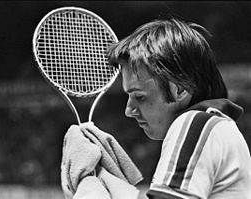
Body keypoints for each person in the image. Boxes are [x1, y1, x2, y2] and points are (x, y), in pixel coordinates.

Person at [61, 17, 251, 199]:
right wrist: (102, 181)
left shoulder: (196, 125)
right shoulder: (218, 128)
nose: (129, 110)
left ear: (180, 89)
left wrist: (92, 189)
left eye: (140, 97)